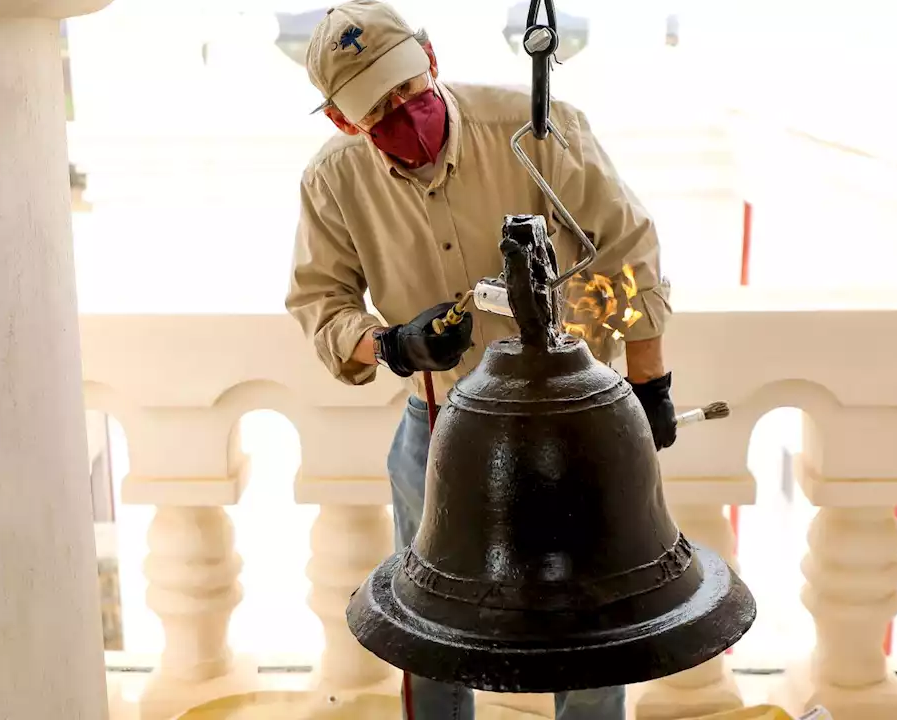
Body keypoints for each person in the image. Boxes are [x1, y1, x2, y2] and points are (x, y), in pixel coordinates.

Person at [285, 1, 677, 717]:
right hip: (439, 422)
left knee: (591, 626)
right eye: (380, 109)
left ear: (430, 59)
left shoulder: (535, 130)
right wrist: (393, 344)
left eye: (409, 88)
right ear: (345, 122)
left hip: (572, 421)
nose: (406, 112)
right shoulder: (334, 182)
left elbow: (625, 251)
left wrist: (647, 388)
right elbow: (320, 305)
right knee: (429, 627)